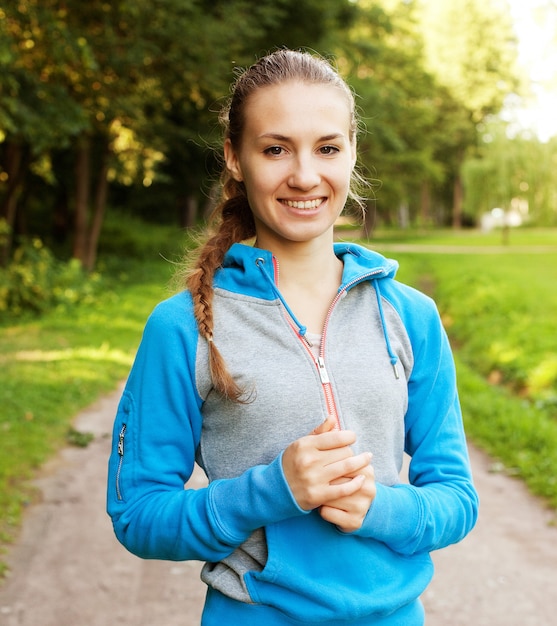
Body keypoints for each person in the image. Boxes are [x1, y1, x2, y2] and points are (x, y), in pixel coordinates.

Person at [107, 48, 478, 625]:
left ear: (352, 151)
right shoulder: (182, 328)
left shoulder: (412, 316)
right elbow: (139, 513)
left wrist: (381, 507)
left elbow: (456, 496)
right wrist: (273, 491)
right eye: (275, 149)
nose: (305, 175)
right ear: (235, 158)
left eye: (327, 148)